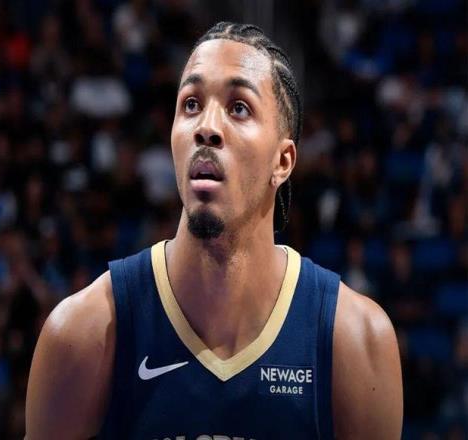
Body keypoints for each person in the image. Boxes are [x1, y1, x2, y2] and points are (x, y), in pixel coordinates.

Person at [25, 22, 403, 439]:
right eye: (191, 104)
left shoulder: (354, 340)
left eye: (239, 107)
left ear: (283, 162)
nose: (206, 127)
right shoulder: (84, 332)